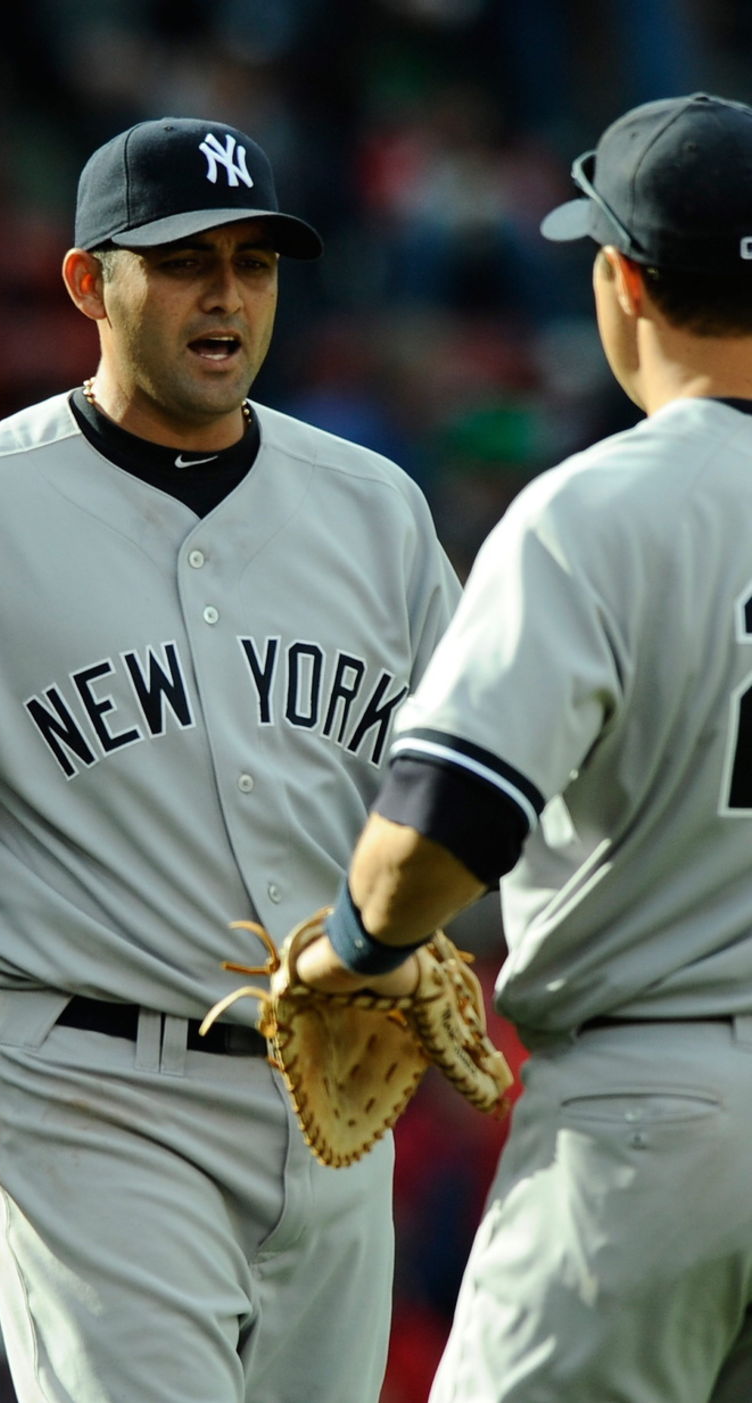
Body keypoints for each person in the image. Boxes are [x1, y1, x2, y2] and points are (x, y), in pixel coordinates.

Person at [0, 116, 462, 1403]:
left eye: (256, 262)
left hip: (337, 1099)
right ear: (89, 282)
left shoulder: (375, 508)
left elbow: (463, 784)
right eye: (188, 260)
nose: (228, 294)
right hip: (94, 1097)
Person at [289, 92, 752, 1402]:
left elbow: (431, 843)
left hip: (656, 1115)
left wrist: (352, 947)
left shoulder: (596, 510)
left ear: (621, 280)